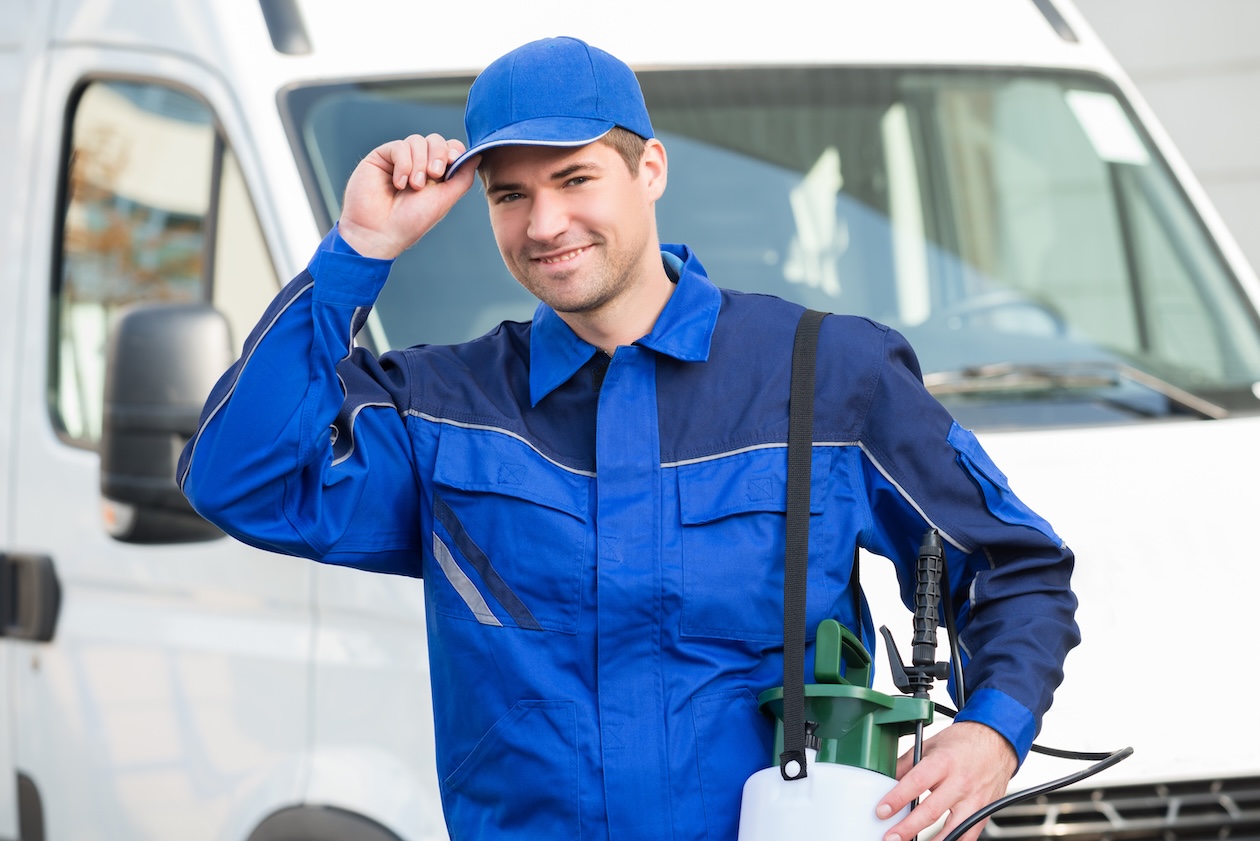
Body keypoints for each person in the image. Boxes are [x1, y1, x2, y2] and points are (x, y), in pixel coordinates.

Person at [178, 35, 1079, 841]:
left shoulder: (824, 375)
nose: (543, 225)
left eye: (574, 180)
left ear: (649, 168)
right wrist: (359, 247)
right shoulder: (442, 409)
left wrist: (991, 731)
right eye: (510, 195)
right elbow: (239, 478)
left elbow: (1015, 566)